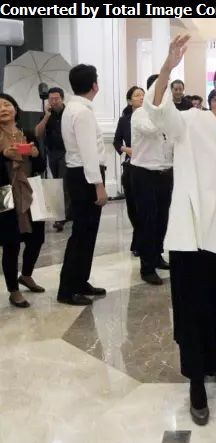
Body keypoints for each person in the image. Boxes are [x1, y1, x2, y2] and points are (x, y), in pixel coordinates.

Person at [146, 35, 216, 426]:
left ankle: (212, 361)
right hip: (190, 234)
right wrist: (168, 67)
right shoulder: (192, 121)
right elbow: (158, 112)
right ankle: (196, 382)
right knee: (192, 309)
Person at [57, 64, 108, 306]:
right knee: (82, 234)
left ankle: (79, 281)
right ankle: (67, 289)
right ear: (94, 85)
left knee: (86, 233)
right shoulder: (82, 112)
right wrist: (99, 185)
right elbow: (89, 153)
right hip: (86, 176)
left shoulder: (72, 108)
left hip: (79, 174)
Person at [0, 93, 46, 308]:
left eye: (7, 104)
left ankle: (26, 275)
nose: (3, 109)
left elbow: (41, 166)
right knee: (11, 243)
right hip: (4, 193)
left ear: (15, 109)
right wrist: (4, 156)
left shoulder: (26, 133)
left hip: (30, 189)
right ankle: (13, 290)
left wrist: (35, 154)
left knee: (37, 238)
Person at [130, 74, 173, 285]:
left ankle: (157, 255)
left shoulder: (169, 114)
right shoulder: (140, 114)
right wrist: (164, 116)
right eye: (163, 88)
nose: (167, 92)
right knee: (147, 219)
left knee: (162, 218)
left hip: (165, 172)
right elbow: (151, 129)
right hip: (144, 172)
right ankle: (147, 267)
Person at [113, 85, 145, 257]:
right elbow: (117, 142)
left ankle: (142, 243)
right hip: (131, 166)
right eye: (137, 95)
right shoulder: (124, 120)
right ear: (130, 100)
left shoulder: (150, 118)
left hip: (148, 166)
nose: (141, 98)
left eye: (143, 95)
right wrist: (127, 149)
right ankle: (138, 240)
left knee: (145, 207)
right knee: (133, 206)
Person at [35, 87, 69, 232]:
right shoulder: (46, 114)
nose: (54, 101)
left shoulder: (69, 112)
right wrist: (46, 117)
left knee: (63, 183)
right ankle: (64, 213)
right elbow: (38, 133)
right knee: (56, 183)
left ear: (62, 98)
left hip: (67, 152)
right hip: (52, 152)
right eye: (51, 99)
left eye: (57, 98)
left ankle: (61, 218)